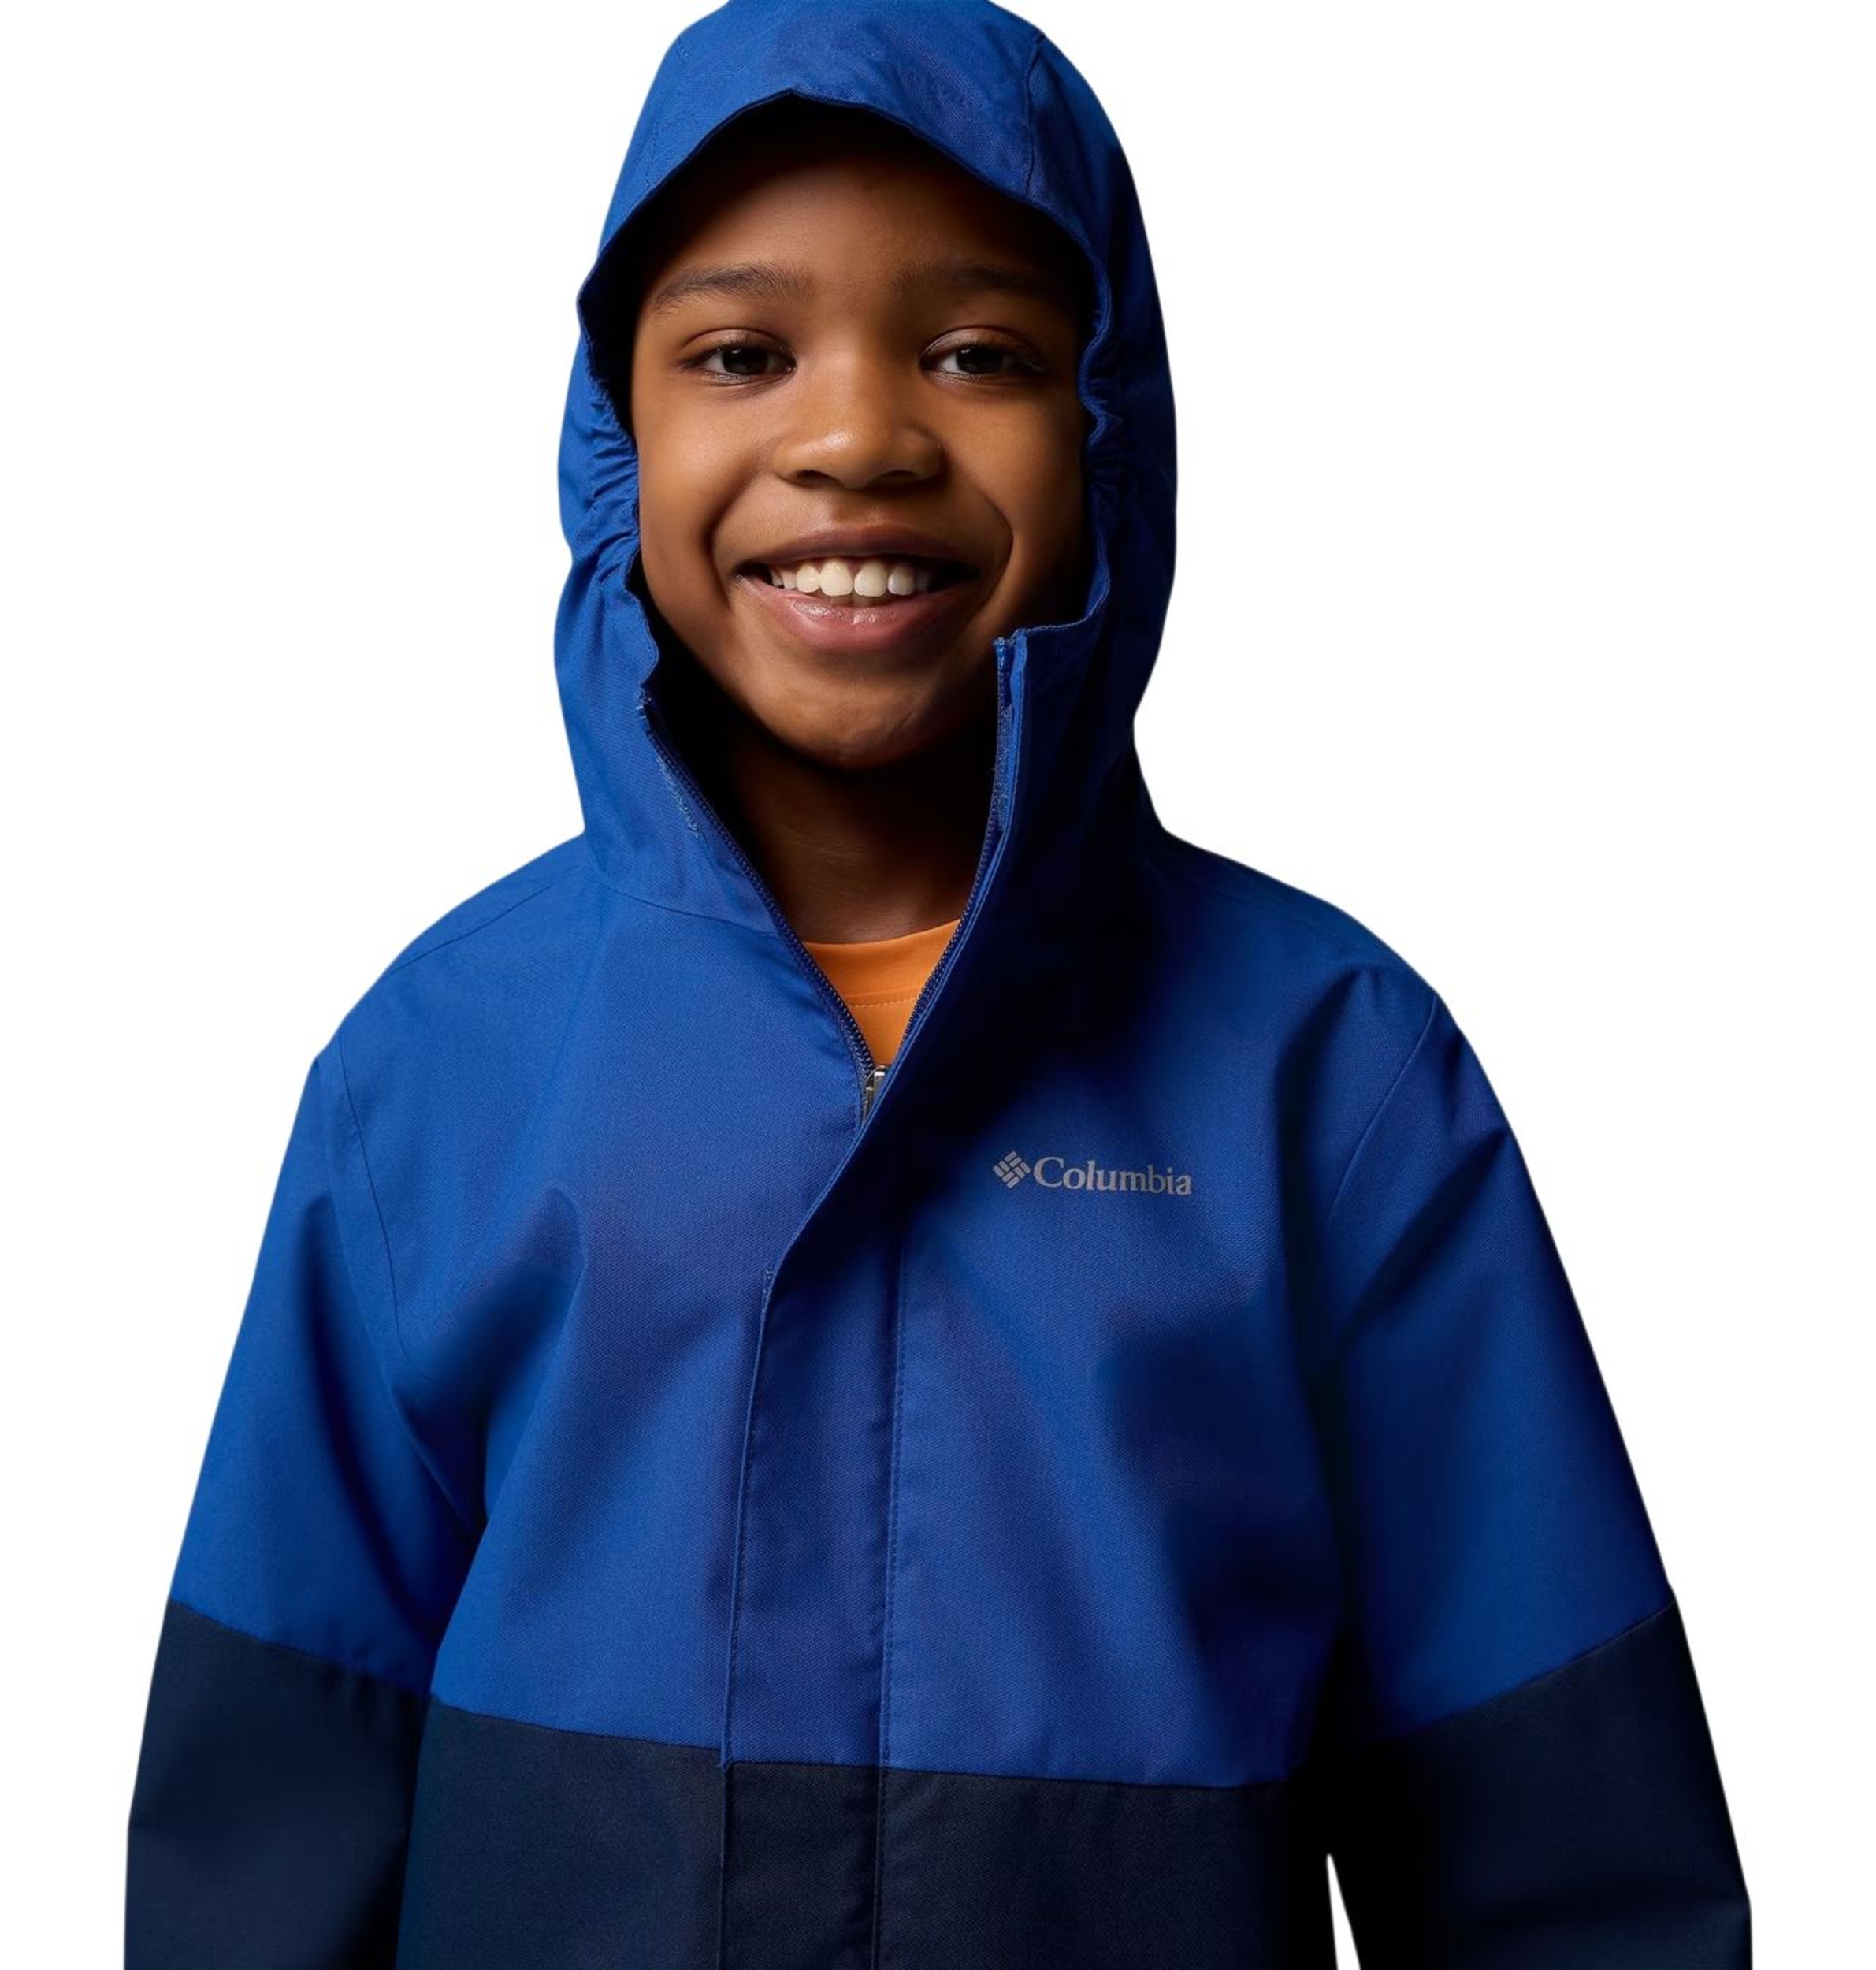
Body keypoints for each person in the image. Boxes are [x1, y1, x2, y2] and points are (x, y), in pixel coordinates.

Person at [124, 2, 1752, 1964]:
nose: (856, 439)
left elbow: (1561, 1850)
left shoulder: (1329, 1074)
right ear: (614, 430)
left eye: (978, 353)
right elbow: (271, 1799)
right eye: (740, 353)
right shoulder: (440, 1068)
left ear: (1110, 422)